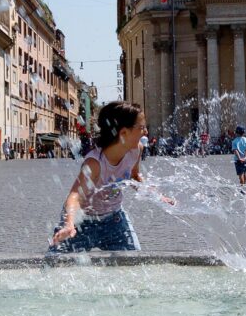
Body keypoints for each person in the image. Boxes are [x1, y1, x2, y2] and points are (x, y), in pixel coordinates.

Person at [49, 102, 172, 253]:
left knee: (133, 263)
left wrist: (157, 195)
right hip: (80, 224)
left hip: (114, 221)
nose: (145, 132)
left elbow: (134, 176)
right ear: (124, 133)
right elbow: (75, 196)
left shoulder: (135, 150)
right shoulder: (95, 164)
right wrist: (69, 224)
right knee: (55, 264)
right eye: (141, 127)